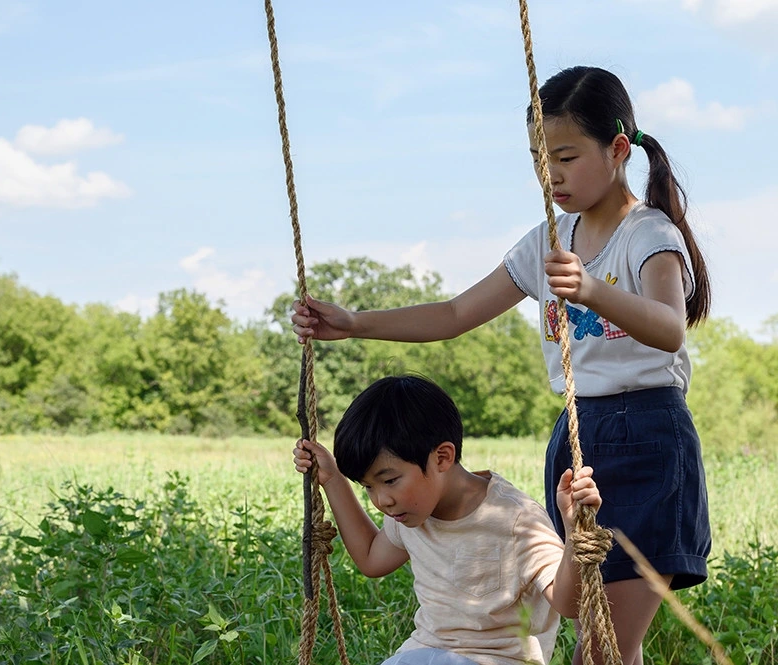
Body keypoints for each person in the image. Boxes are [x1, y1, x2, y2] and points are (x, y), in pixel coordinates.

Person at [290, 65, 711, 665]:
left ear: (618, 149)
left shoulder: (647, 234)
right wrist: (354, 322)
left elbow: (670, 328)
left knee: (606, 646)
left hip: (647, 436)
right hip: (577, 437)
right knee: (592, 637)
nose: (551, 175)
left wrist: (591, 289)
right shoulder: (547, 241)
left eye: (565, 157)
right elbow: (456, 312)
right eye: (541, 159)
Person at [293, 374, 602, 665]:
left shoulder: (515, 518)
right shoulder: (411, 513)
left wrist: (577, 535)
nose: (381, 501)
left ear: (442, 457)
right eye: (368, 487)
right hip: (425, 652)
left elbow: (570, 604)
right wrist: (332, 479)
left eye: (389, 481)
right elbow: (372, 558)